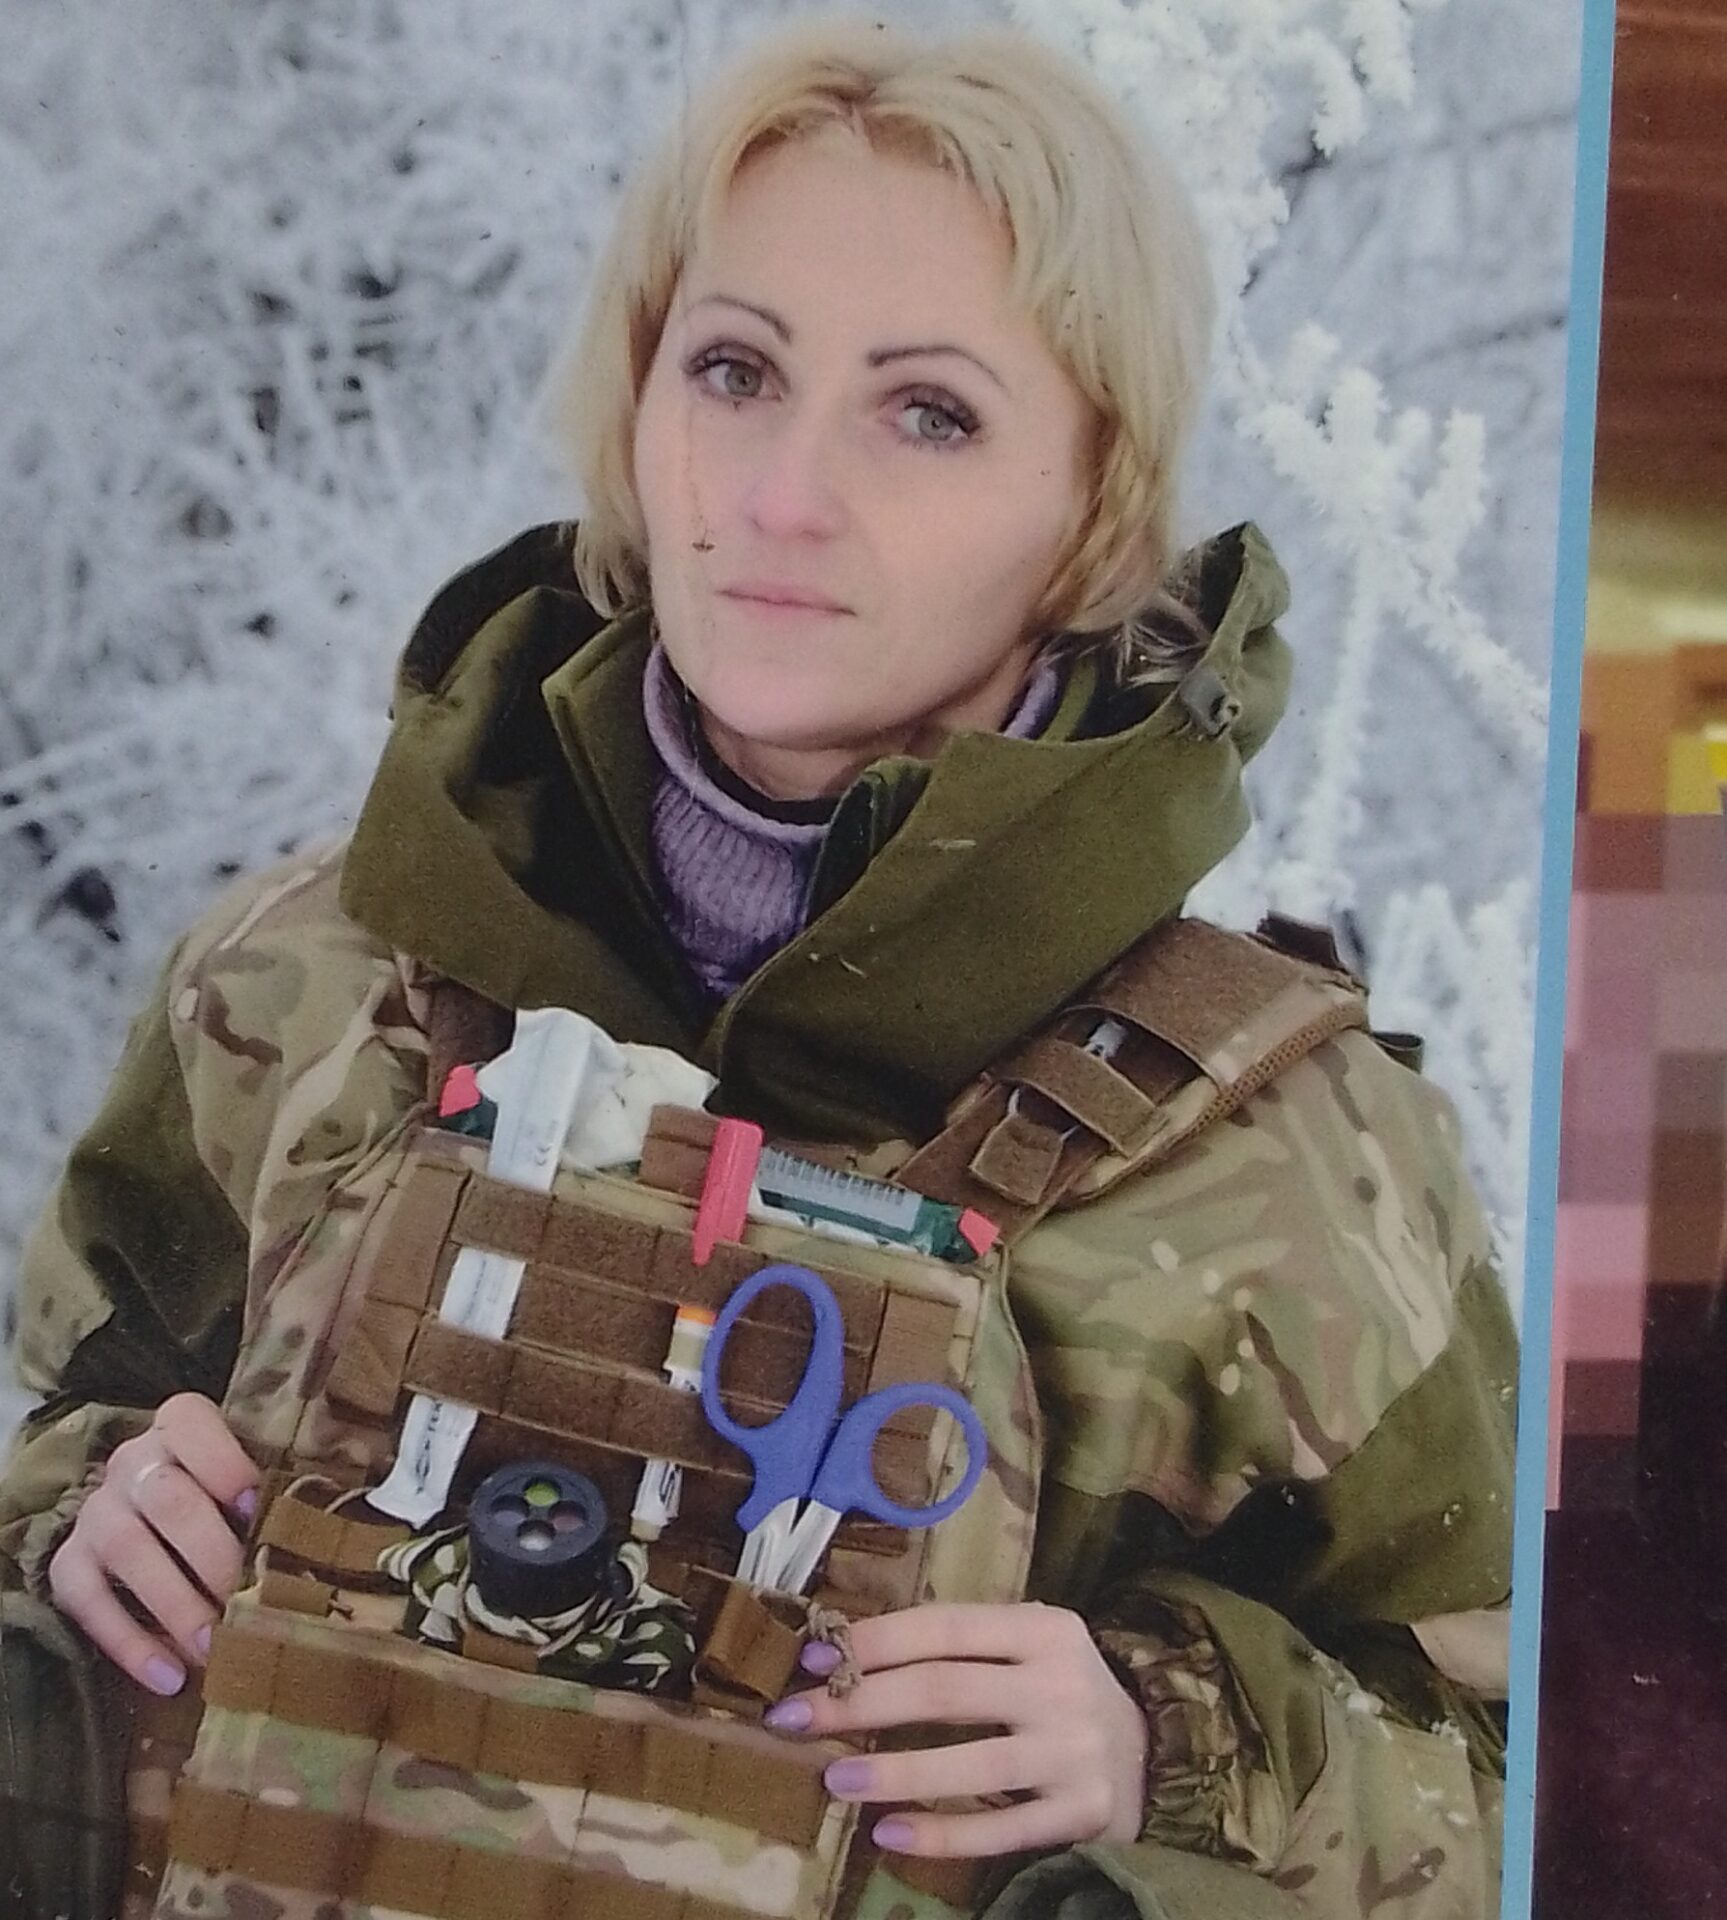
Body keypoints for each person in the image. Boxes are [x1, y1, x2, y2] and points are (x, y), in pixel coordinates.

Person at [0, 16, 1516, 1920]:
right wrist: (90, 1511)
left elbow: (1528, 1770)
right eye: (735, 369)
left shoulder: (1300, 1166)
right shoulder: (308, 976)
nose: (785, 494)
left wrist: (1175, 1747)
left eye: (929, 411)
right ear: (637, 405)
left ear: (1092, 506)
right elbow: (68, 1423)